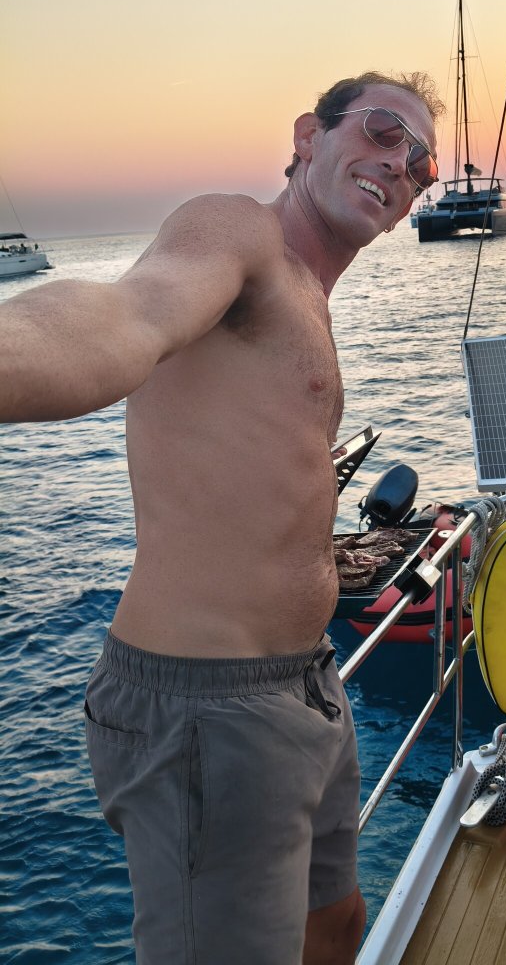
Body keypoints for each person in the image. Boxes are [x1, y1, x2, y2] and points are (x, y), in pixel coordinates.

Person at [0, 70, 442, 964]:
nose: (401, 166)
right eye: (384, 132)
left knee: (337, 927)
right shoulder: (235, 234)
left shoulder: (305, 298)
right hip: (206, 708)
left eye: (421, 165)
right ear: (309, 138)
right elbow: (125, 315)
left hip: (306, 684)